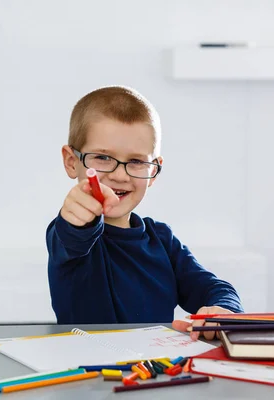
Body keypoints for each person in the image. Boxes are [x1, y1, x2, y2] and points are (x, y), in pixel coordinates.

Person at [46, 86, 242, 339]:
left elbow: (214, 288)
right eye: (103, 158)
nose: (120, 175)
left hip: (155, 372)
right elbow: (71, 236)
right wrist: (76, 219)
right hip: (88, 371)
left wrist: (222, 309)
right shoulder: (68, 234)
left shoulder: (162, 239)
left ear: (154, 171)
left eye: (137, 162)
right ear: (72, 162)